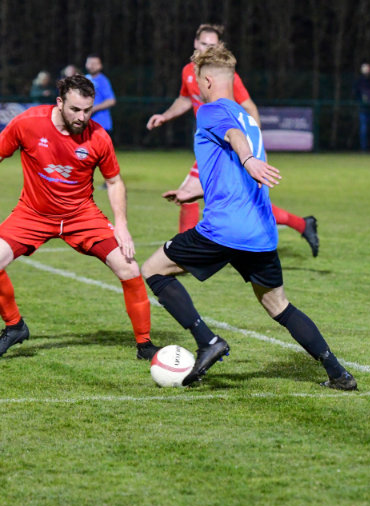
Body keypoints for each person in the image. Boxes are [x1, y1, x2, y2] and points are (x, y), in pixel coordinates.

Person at [141, 44, 357, 391]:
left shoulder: (210, 111)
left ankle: (207, 341)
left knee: (153, 269)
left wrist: (247, 160)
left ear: (207, 81)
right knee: (279, 306)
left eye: (198, 82)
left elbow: (233, 137)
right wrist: (194, 192)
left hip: (224, 229)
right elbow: (232, 165)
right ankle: (338, 373)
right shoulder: (250, 120)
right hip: (260, 232)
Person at [0, 74, 160, 360]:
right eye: (75, 109)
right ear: (59, 102)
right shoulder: (28, 123)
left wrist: (122, 226)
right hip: (33, 213)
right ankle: (15, 327)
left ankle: (145, 345)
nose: (82, 117)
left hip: (81, 216)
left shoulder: (99, 137)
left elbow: (114, 182)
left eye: (88, 110)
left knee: (129, 268)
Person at [146, 23, 320, 257]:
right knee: (241, 199)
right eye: (204, 44)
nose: (207, 48)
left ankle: (182, 255)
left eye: (212, 45)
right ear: (195, 43)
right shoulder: (188, 71)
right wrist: (165, 116)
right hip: (212, 142)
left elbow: (249, 107)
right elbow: (185, 99)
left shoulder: (225, 76)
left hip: (225, 146)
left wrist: (256, 147)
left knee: (191, 194)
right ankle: (302, 224)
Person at [84, 54, 116, 135]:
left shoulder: (103, 80)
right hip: (85, 124)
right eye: (90, 63)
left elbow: (111, 101)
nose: (92, 66)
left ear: (100, 66)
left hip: (100, 125)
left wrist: (93, 109)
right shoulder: (84, 79)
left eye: (95, 64)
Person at [354, 62, 370, 153]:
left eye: (368, 68)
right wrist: (361, 102)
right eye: (364, 68)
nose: (366, 70)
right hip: (363, 109)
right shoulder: (359, 81)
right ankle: (364, 149)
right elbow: (356, 94)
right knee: (363, 129)